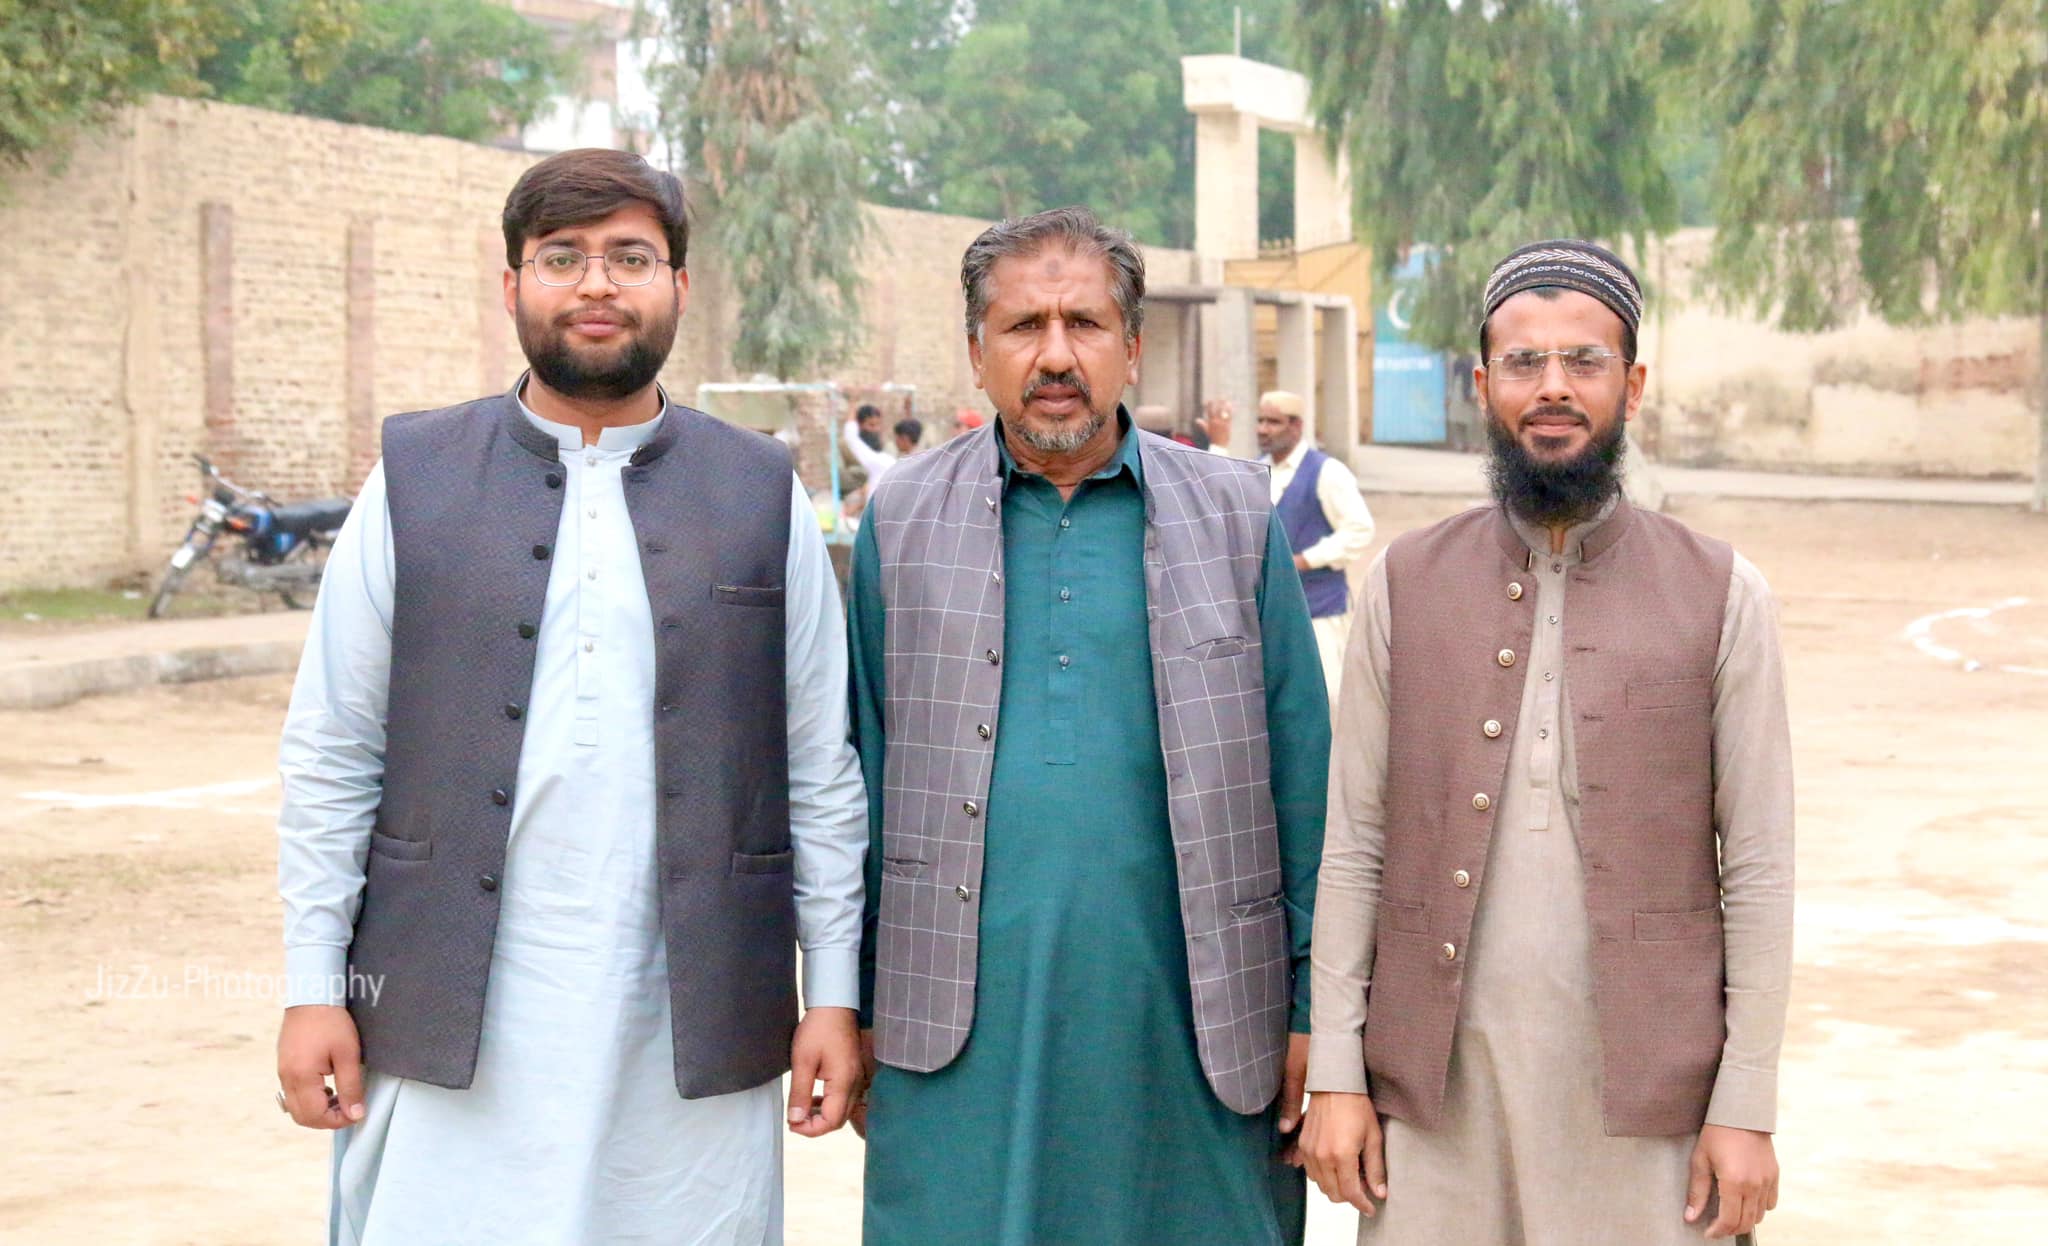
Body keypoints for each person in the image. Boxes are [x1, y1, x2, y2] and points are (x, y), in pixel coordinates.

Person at [273, 147, 867, 1245]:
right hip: (445, 1015)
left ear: (678, 286)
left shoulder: (758, 491)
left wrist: (831, 990)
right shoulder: (412, 479)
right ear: (512, 285)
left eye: (630, 257)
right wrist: (314, 985)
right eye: (562, 256)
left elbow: (818, 765)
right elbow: (333, 752)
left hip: (690, 1027)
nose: (597, 284)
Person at [847, 205, 1331, 1246]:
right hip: (953, 1018)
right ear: (976, 352)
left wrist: (1313, 1013)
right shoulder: (903, 519)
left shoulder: (1230, 512)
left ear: (1132, 347)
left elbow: (1303, 777)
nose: (1056, 355)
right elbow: (864, 777)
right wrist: (847, 1002)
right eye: (1024, 326)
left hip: (1200, 1019)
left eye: (1086, 324)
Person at [1301, 240, 1793, 1244]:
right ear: (1483, 385)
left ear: (1632, 385)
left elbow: (1757, 867)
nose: (1553, 387)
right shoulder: (1404, 582)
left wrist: (1744, 1103)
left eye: (1584, 360)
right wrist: (1339, 1075)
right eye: (1523, 362)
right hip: (1433, 1095)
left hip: (1649, 1106)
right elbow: (1353, 844)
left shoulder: (1721, 592)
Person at [1206, 391, 1376, 707]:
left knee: (1324, 699)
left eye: (1273, 422)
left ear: (1296, 426)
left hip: (1318, 612)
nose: (1263, 429)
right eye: (1260, 421)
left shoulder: (1327, 472)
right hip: (1266, 615)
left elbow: (1359, 529)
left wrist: (1304, 560)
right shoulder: (1257, 469)